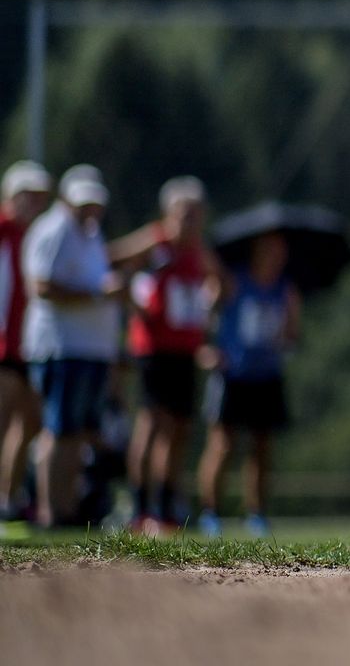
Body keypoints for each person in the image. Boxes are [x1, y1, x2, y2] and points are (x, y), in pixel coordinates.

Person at [112, 176, 220, 532]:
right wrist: (133, 298)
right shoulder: (154, 242)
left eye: (196, 214)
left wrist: (210, 302)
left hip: (185, 352)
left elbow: (222, 283)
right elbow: (112, 260)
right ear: (168, 214)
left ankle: (167, 508)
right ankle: (140, 507)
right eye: (183, 214)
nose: (190, 222)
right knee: (152, 423)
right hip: (153, 349)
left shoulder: (197, 252)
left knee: (181, 429)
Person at [21, 166, 125, 527]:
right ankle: (51, 511)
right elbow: (43, 287)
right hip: (62, 346)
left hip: (88, 348)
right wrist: (97, 294)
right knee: (58, 429)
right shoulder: (53, 230)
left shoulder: (90, 234)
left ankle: (67, 509)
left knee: (76, 433)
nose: (89, 209)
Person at [194, 230, 300, 537]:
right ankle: (210, 512)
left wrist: (289, 328)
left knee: (262, 448)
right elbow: (203, 314)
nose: (276, 258)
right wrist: (205, 348)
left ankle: (257, 514)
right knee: (223, 445)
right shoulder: (232, 281)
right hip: (232, 373)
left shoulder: (285, 289)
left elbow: (292, 335)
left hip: (267, 374)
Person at [0, 161, 53, 520]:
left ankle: (8, 497)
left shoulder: (35, 237)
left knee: (30, 420)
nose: (35, 205)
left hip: (27, 344)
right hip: (4, 344)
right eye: (28, 197)